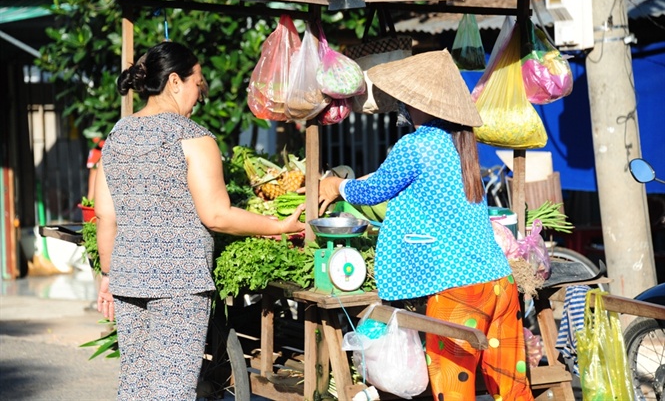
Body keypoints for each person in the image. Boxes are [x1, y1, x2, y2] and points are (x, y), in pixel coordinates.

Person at [93, 41, 305, 400]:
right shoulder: (192, 137)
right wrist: (280, 226)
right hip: (179, 284)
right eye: (198, 84)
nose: (199, 95)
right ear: (175, 81)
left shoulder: (117, 136)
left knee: (136, 385)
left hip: (128, 278)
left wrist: (109, 275)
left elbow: (105, 215)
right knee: (172, 389)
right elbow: (217, 215)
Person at [317, 50, 534, 401]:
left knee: (453, 391)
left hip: (459, 292)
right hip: (500, 283)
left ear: (418, 104)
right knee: (512, 389)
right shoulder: (461, 144)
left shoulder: (416, 146)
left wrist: (336, 185)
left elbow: (374, 190)